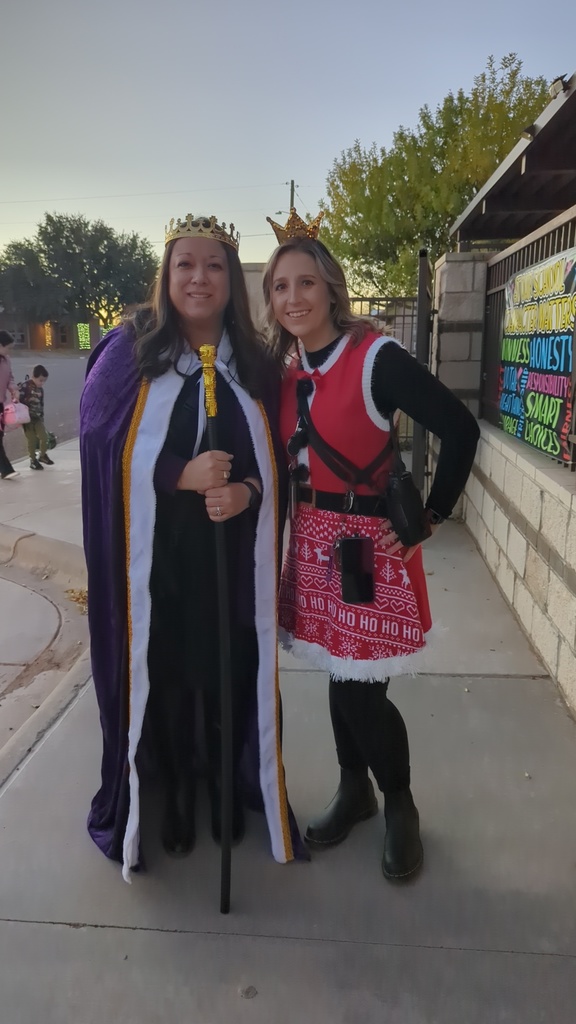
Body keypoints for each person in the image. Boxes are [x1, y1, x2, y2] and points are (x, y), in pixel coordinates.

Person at [80, 214, 304, 882]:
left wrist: (248, 492)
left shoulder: (256, 363)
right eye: (186, 265)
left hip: (232, 558)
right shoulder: (130, 351)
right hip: (158, 562)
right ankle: (176, 790)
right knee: (171, 673)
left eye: (213, 266)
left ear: (232, 280)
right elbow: (98, 440)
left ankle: (225, 784)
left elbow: (281, 456)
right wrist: (178, 473)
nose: (199, 278)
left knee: (228, 668)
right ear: (167, 275)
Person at [263, 209, 480, 882]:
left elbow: (460, 427)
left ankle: (400, 802)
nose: (293, 298)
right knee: (339, 677)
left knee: (362, 692)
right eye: (280, 287)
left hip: (367, 551)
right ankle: (354, 788)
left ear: (331, 288)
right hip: (312, 546)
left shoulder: (375, 358)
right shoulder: (286, 370)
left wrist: (431, 515)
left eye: (306, 283)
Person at [20, 365, 54, 470]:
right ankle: (33, 460)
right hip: (27, 419)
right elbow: (19, 400)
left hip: (37, 418)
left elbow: (41, 403)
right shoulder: (25, 386)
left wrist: (42, 416)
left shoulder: (40, 390)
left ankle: (42, 455)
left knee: (44, 437)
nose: (42, 383)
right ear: (33, 377)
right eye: (40, 380)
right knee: (32, 440)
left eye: (44, 381)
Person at [0, 330, 20, 480]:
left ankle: (5, 470)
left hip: (0, 403)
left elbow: (10, 378)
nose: (9, 351)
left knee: (0, 436)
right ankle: (6, 469)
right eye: (8, 348)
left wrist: (14, 390)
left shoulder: (6, 360)